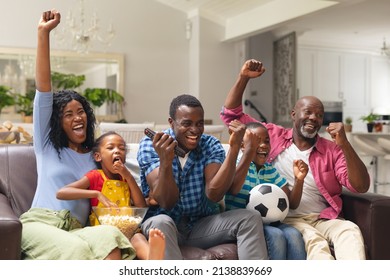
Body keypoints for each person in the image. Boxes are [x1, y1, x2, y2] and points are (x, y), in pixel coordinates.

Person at [220, 59, 371, 260]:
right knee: (316, 243)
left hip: (323, 217)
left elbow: (360, 186)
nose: (313, 118)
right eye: (307, 112)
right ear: (293, 114)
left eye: (319, 115)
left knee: (350, 231)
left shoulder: (332, 149)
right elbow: (231, 115)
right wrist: (244, 78)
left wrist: (345, 144)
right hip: (288, 217)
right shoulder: (271, 135)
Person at [19, 9, 134, 260]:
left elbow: (125, 178)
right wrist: (43, 33)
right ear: (57, 123)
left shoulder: (97, 156)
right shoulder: (47, 145)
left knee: (111, 238)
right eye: (68, 114)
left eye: (80, 111)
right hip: (41, 223)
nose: (77, 117)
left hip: (77, 230)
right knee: (77, 250)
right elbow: (44, 88)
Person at [137, 94, 268, 260]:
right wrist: (165, 161)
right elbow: (166, 201)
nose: (195, 130)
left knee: (250, 218)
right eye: (187, 123)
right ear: (172, 123)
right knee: (161, 222)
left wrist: (234, 148)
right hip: (165, 227)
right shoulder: (151, 144)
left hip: (200, 226)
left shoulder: (210, 145)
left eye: (200, 124)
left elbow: (214, 194)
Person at [56, 131, 165, 260]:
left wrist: (129, 177)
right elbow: (61, 193)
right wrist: (96, 194)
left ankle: (152, 258)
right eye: (110, 147)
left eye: (122, 148)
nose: (117, 151)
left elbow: (140, 206)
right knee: (110, 245)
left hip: (128, 230)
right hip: (104, 232)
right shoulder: (95, 176)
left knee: (138, 237)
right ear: (98, 156)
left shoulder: (126, 179)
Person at [224, 121, 308, 260]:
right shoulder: (236, 164)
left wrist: (299, 180)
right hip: (244, 225)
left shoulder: (270, 170)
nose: (263, 145)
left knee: (294, 235)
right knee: (276, 235)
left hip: (270, 221)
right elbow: (233, 189)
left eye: (267, 141)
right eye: (256, 141)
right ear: (243, 146)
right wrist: (248, 154)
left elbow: (291, 204)